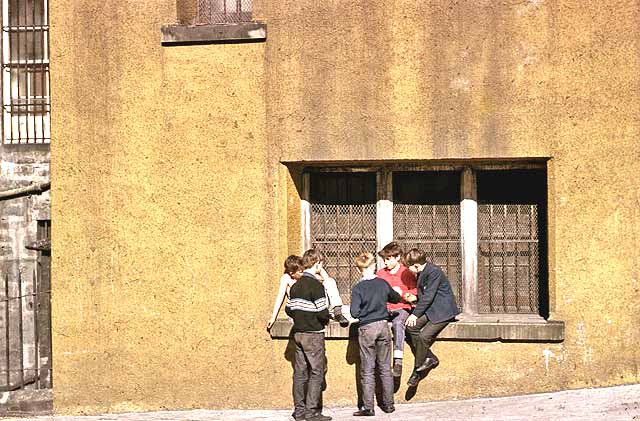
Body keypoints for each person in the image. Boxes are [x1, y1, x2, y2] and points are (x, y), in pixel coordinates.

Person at [350, 252, 401, 417]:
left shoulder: (358, 288)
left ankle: (368, 407)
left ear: (359, 270)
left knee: (367, 369)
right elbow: (395, 298)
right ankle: (389, 404)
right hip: (384, 326)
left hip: (367, 329)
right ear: (373, 266)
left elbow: (354, 312)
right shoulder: (382, 283)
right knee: (385, 367)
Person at [285, 249, 333, 421]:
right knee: (316, 371)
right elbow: (322, 312)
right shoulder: (316, 286)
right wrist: (327, 318)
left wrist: (301, 316)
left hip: (298, 333)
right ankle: (312, 411)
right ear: (317, 263)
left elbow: (289, 309)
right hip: (313, 334)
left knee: (300, 373)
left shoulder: (296, 285)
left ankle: (299, 412)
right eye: (321, 264)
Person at [403, 248, 459, 388]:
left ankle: (417, 372)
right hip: (431, 309)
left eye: (409, 268)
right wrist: (415, 298)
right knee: (411, 327)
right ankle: (429, 357)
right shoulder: (423, 272)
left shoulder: (433, 272)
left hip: (443, 311)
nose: (408, 271)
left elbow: (429, 296)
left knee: (423, 337)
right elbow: (426, 295)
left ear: (416, 265)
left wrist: (415, 314)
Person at [267, 255, 350, 331]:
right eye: (300, 272)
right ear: (291, 273)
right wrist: (273, 317)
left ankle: (337, 311)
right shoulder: (286, 278)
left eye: (303, 270)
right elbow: (280, 296)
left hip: (316, 306)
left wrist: (318, 276)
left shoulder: (309, 274)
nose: (303, 273)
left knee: (330, 281)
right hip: (300, 310)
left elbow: (326, 279)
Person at [375, 242, 417, 377]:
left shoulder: (406, 272)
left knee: (398, 324)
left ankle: (398, 360)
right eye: (384, 260)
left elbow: (415, 290)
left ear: (397, 257)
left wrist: (406, 294)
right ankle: (381, 361)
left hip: (401, 307)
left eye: (388, 259)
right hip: (385, 308)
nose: (385, 263)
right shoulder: (380, 274)